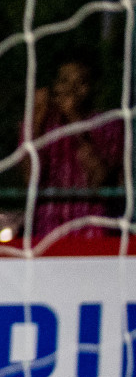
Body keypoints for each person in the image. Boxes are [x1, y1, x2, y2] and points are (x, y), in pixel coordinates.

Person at [25, 53, 123, 240]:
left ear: (93, 88)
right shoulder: (38, 125)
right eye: (64, 81)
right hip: (48, 231)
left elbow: (101, 181)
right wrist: (36, 121)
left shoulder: (109, 125)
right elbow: (31, 179)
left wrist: (75, 120)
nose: (71, 89)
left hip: (94, 233)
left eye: (80, 83)